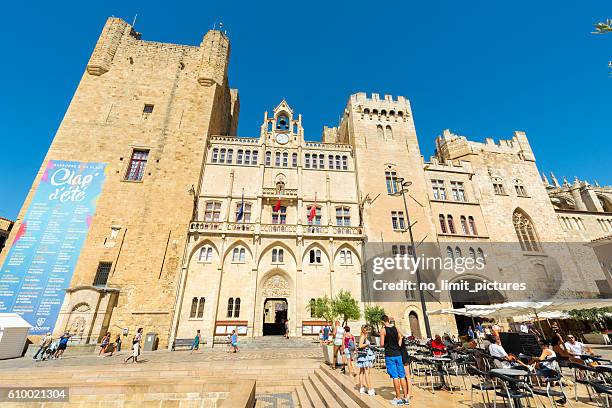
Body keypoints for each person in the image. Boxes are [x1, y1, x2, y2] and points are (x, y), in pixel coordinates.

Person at [380, 315, 410, 405]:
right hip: (398, 354)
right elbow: (399, 341)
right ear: (388, 320)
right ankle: (405, 398)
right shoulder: (395, 329)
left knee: (395, 376)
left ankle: (398, 398)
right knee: (402, 376)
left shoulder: (383, 330)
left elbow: (381, 344)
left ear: (382, 322)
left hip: (390, 355)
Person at [356, 325, 376, 396]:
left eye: (368, 329)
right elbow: (360, 345)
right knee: (367, 372)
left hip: (363, 356)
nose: (368, 330)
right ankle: (370, 389)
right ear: (363, 329)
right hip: (365, 356)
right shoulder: (363, 336)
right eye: (366, 329)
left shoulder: (363, 336)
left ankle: (362, 388)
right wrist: (367, 344)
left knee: (362, 372)